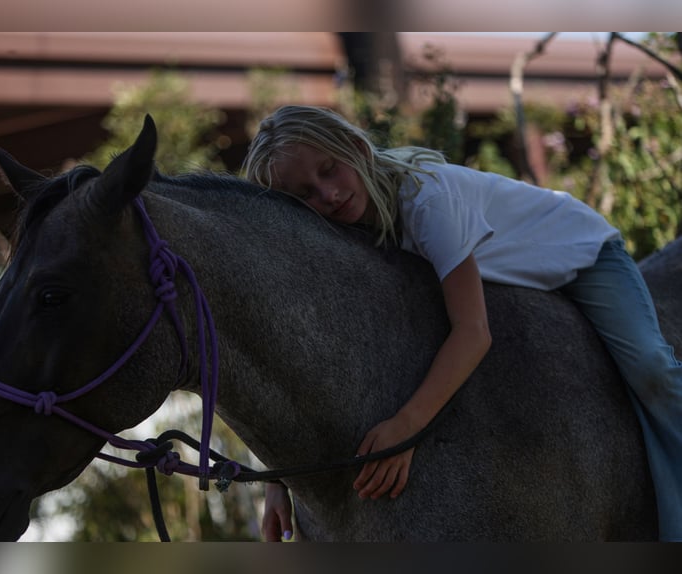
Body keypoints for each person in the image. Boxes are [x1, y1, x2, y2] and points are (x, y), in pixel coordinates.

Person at [242, 104, 682, 542]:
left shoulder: (427, 200)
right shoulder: (340, 237)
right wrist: (278, 482)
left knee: (651, 367)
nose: (328, 194)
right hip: (514, 279)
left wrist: (405, 429)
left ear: (358, 149)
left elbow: (473, 333)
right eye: (303, 194)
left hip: (581, 253)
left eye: (329, 170)